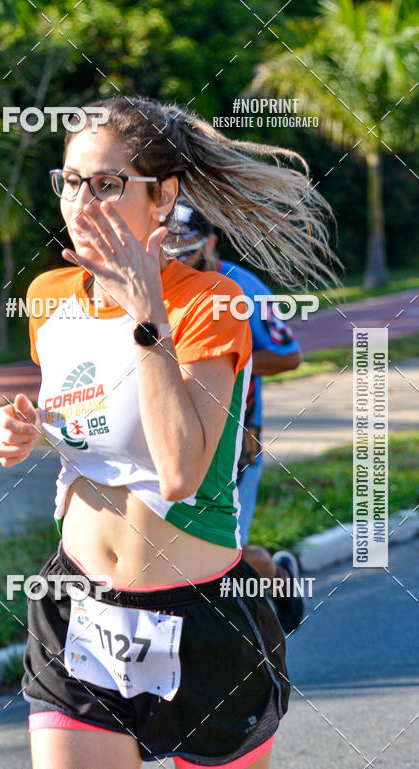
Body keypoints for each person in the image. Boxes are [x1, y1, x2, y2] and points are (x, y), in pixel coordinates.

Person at [0, 96, 337, 769]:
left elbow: (180, 470)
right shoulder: (50, 298)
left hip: (205, 626)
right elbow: (101, 423)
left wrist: (149, 314)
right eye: (71, 181)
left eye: (109, 184)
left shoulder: (210, 306)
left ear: (164, 195)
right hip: (80, 614)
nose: (83, 204)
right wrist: (29, 428)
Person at [163, 202, 305, 634]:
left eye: (187, 251)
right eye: (169, 251)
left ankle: (277, 577)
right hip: (172, 436)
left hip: (238, 441)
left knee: (223, 550)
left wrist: (220, 359)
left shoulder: (243, 288)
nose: (177, 261)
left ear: (211, 242)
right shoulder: (158, 285)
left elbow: (289, 356)